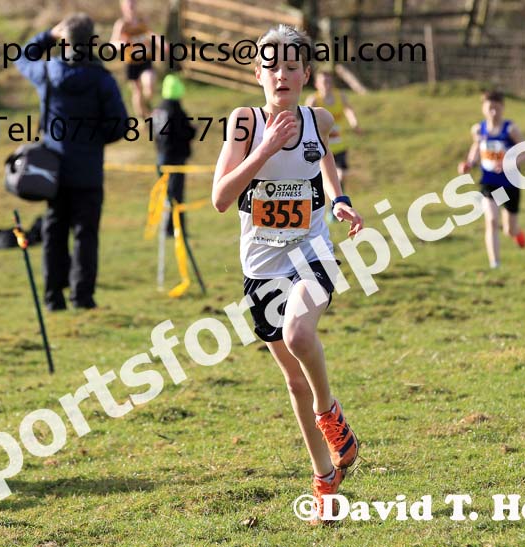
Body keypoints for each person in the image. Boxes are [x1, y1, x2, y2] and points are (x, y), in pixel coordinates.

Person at [211, 25, 363, 525]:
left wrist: (338, 200)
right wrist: (264, 149)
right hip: (261, 269)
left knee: (299, 333)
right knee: (293, 381)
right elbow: (220, 198)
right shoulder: (244, 123)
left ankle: (330, 414)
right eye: (271, 65)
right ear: (257, 74)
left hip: (311, 252)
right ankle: (325, 479)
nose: (281, 73)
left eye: (291, 66)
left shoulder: (319, 119)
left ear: (305, 74)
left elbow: (324, 158)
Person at [16, 14, 128, 310]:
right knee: (85, 234)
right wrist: (93, 141)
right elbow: (120, 125)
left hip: (53, 170)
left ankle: (53, 298)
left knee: (54, 232)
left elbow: (22, 56)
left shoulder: (47, 72)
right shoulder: (102, 79)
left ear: (64, 41)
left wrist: (47, 36)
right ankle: (82, 297)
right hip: (89, 170)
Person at [458, 90, 525, 269]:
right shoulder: (478, 130)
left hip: (509, 184)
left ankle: (517, 233)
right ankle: (495, 264)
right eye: (489, 108)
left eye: (496, 108)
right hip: (489, 183)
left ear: (503, 108)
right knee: (491, 220)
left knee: (509, 229)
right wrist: (469, 163)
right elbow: (477, 148)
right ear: (483, 108)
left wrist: (509, 163)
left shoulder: (510, 129)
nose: (493, 112)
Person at [305, 69, 361, 221]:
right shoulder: (314, 100)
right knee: (327, 178)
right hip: (322, 147)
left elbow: (348, 109)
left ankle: (336, 205)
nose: (327, 85)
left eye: (329, 81)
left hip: (339, 145)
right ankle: (331, 207)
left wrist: (354, 123)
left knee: (341, 175)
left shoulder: (340, 96)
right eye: (324, 82)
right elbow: (306, 119)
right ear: (317, 84)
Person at [153, 72, 195, 235]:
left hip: (161, 157)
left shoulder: (159, 109)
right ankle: (176, 229)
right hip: (175, 158)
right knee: (176, 196)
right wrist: (192, 130)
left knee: (166, 195)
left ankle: (167, 228)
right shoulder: (175, 109)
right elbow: (184, 132)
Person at [110, 0, 158, 119]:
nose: (130, 7)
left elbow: (151, 34)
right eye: (128, 4)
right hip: (131, 62)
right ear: (123, 7)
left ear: (136, 4)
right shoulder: (121, 24)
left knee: (149, 84)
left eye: (132, 3)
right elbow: (112, 45)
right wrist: (120, 44)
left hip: (145, 59)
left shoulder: (142, 21)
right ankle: (142, 118)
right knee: (137, 92)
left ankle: (148, 106)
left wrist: (160, 42)